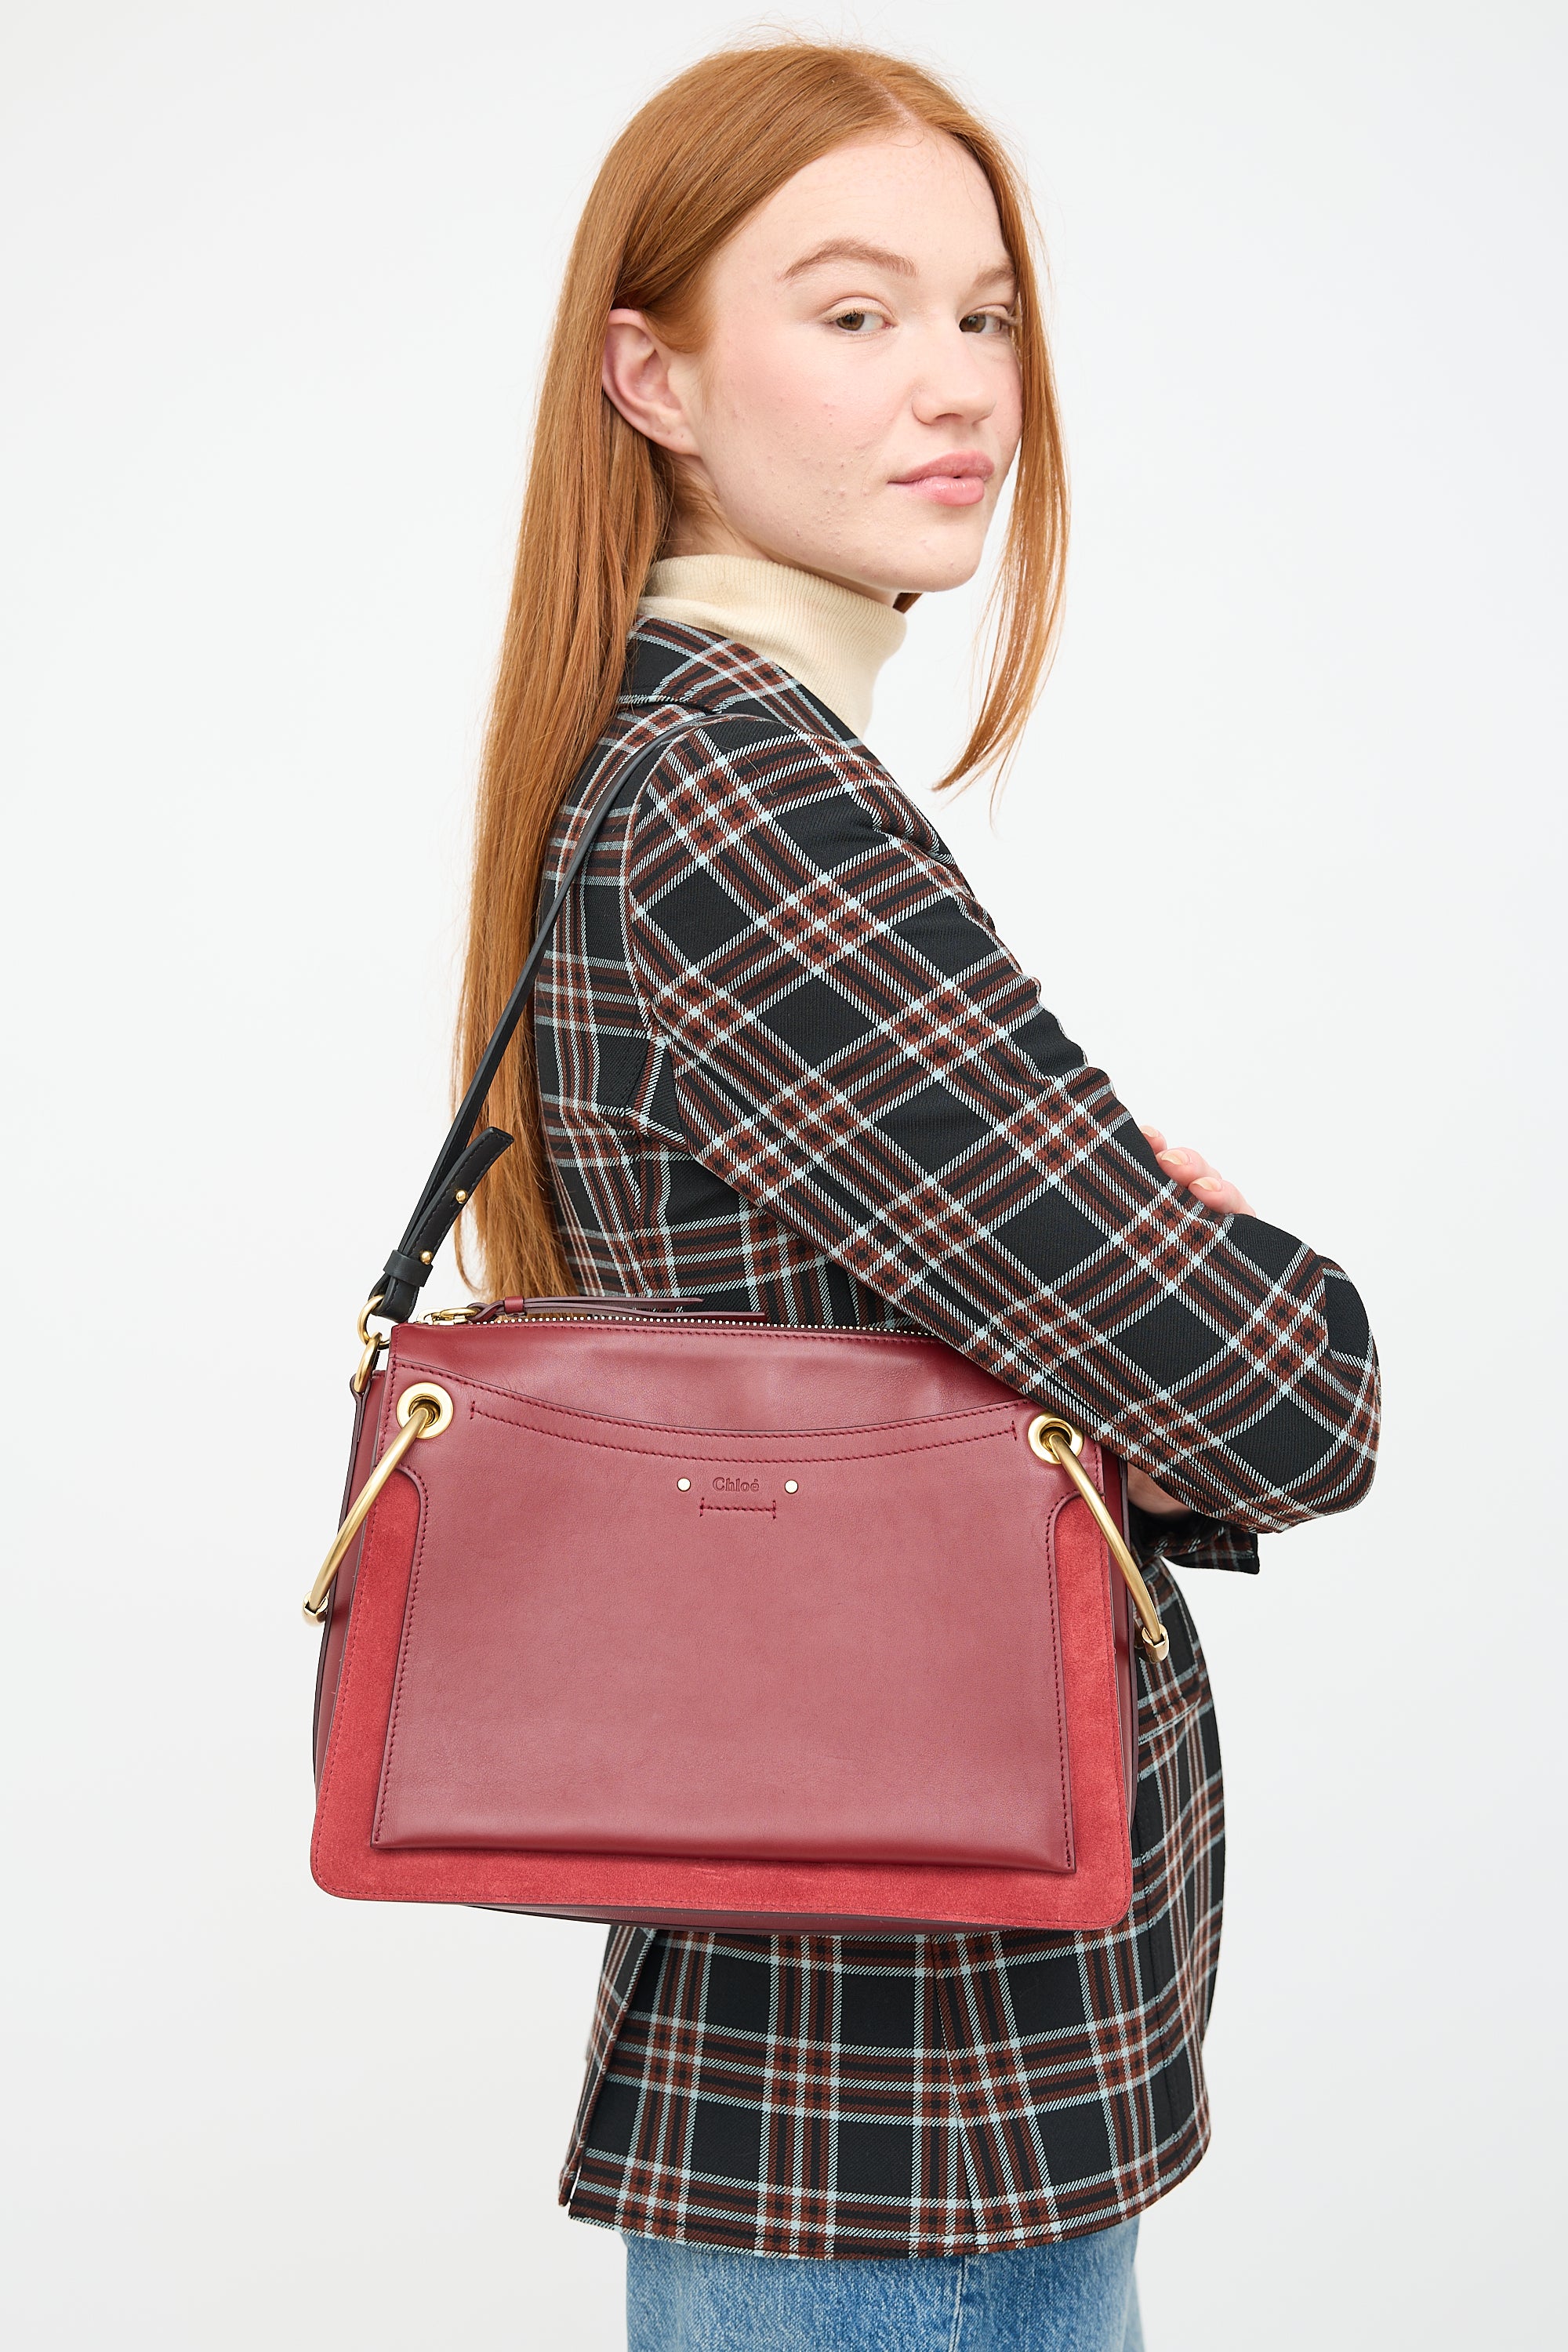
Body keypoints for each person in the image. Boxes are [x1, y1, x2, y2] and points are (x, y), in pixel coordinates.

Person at [453, 37, 1381, 2352]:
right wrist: (1203, 1277)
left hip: (880, 2059)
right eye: (855, 314)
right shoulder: (752, 808)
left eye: (982, 316)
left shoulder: (703, 759)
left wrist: (1099, 1324)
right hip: (915, 2092)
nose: (957, 383)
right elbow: (1293, 1406)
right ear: (653, 377)